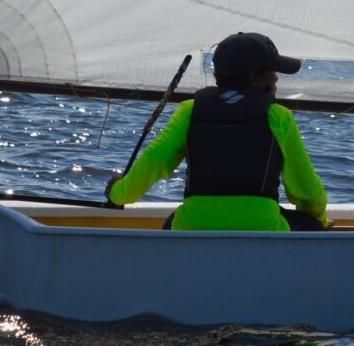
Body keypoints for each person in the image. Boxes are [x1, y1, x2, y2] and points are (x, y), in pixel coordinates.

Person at [105, 31, 329, 231]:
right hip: (263, 228)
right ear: (254, 77)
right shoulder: (279, 116)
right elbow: (308, 191)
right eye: (272, 71)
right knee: (310, 224)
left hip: (193, 227)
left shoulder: (189, 110)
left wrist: (119, 193)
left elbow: (154, 160)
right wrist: (320, 221)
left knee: (173, 221)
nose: (277, 78)